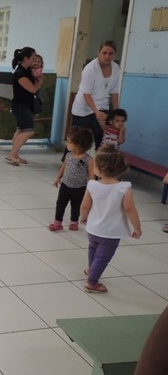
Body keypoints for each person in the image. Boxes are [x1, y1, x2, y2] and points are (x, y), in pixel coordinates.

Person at [79, 145, 142, 293]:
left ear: (100, 169)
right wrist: (137, 227)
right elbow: (129, 209)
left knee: (93, 250)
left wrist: (83, 217)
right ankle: (92, 282)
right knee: (103, 256)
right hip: (111, 233)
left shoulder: (92, 185)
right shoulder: (124, 188)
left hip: (93, 229)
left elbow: (85, 206)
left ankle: (91, 270)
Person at [71, 40, 121, 151]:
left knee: (102, 138)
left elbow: (114, 92)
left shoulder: (116, 68)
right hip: (84, 107)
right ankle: (68, 159)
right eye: (104, 53)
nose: (107, 56)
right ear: (99, 52)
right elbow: (86, 94)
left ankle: (99, 160)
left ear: (114, 54)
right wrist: (96, 112)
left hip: (102, 106)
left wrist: (116, 111)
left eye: (111, 53)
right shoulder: (90, 69)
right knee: (78, 138)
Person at [49, 126, 94, 232]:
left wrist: (92, 187)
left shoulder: (88, 160)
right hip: (65, 185)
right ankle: (57, 222)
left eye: (69, 142)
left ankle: (74, 221)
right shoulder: (68, 155)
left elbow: (92, 175)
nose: (66, 143)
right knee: (60, 204)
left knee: (76, 206)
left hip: (80, 188)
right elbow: (63, 167)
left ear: (78, 145)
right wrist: (58, 177)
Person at [6, 47, 43, 166]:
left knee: (20, 130)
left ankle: (14, 154)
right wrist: (40, 80)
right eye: (33, 58)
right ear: (26, 58)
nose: (34, 60)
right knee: (29, 131)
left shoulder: (26, 71)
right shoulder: (20, 74)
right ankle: (12, 154)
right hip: (20, 107)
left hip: (25, 105)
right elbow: (33, 89)